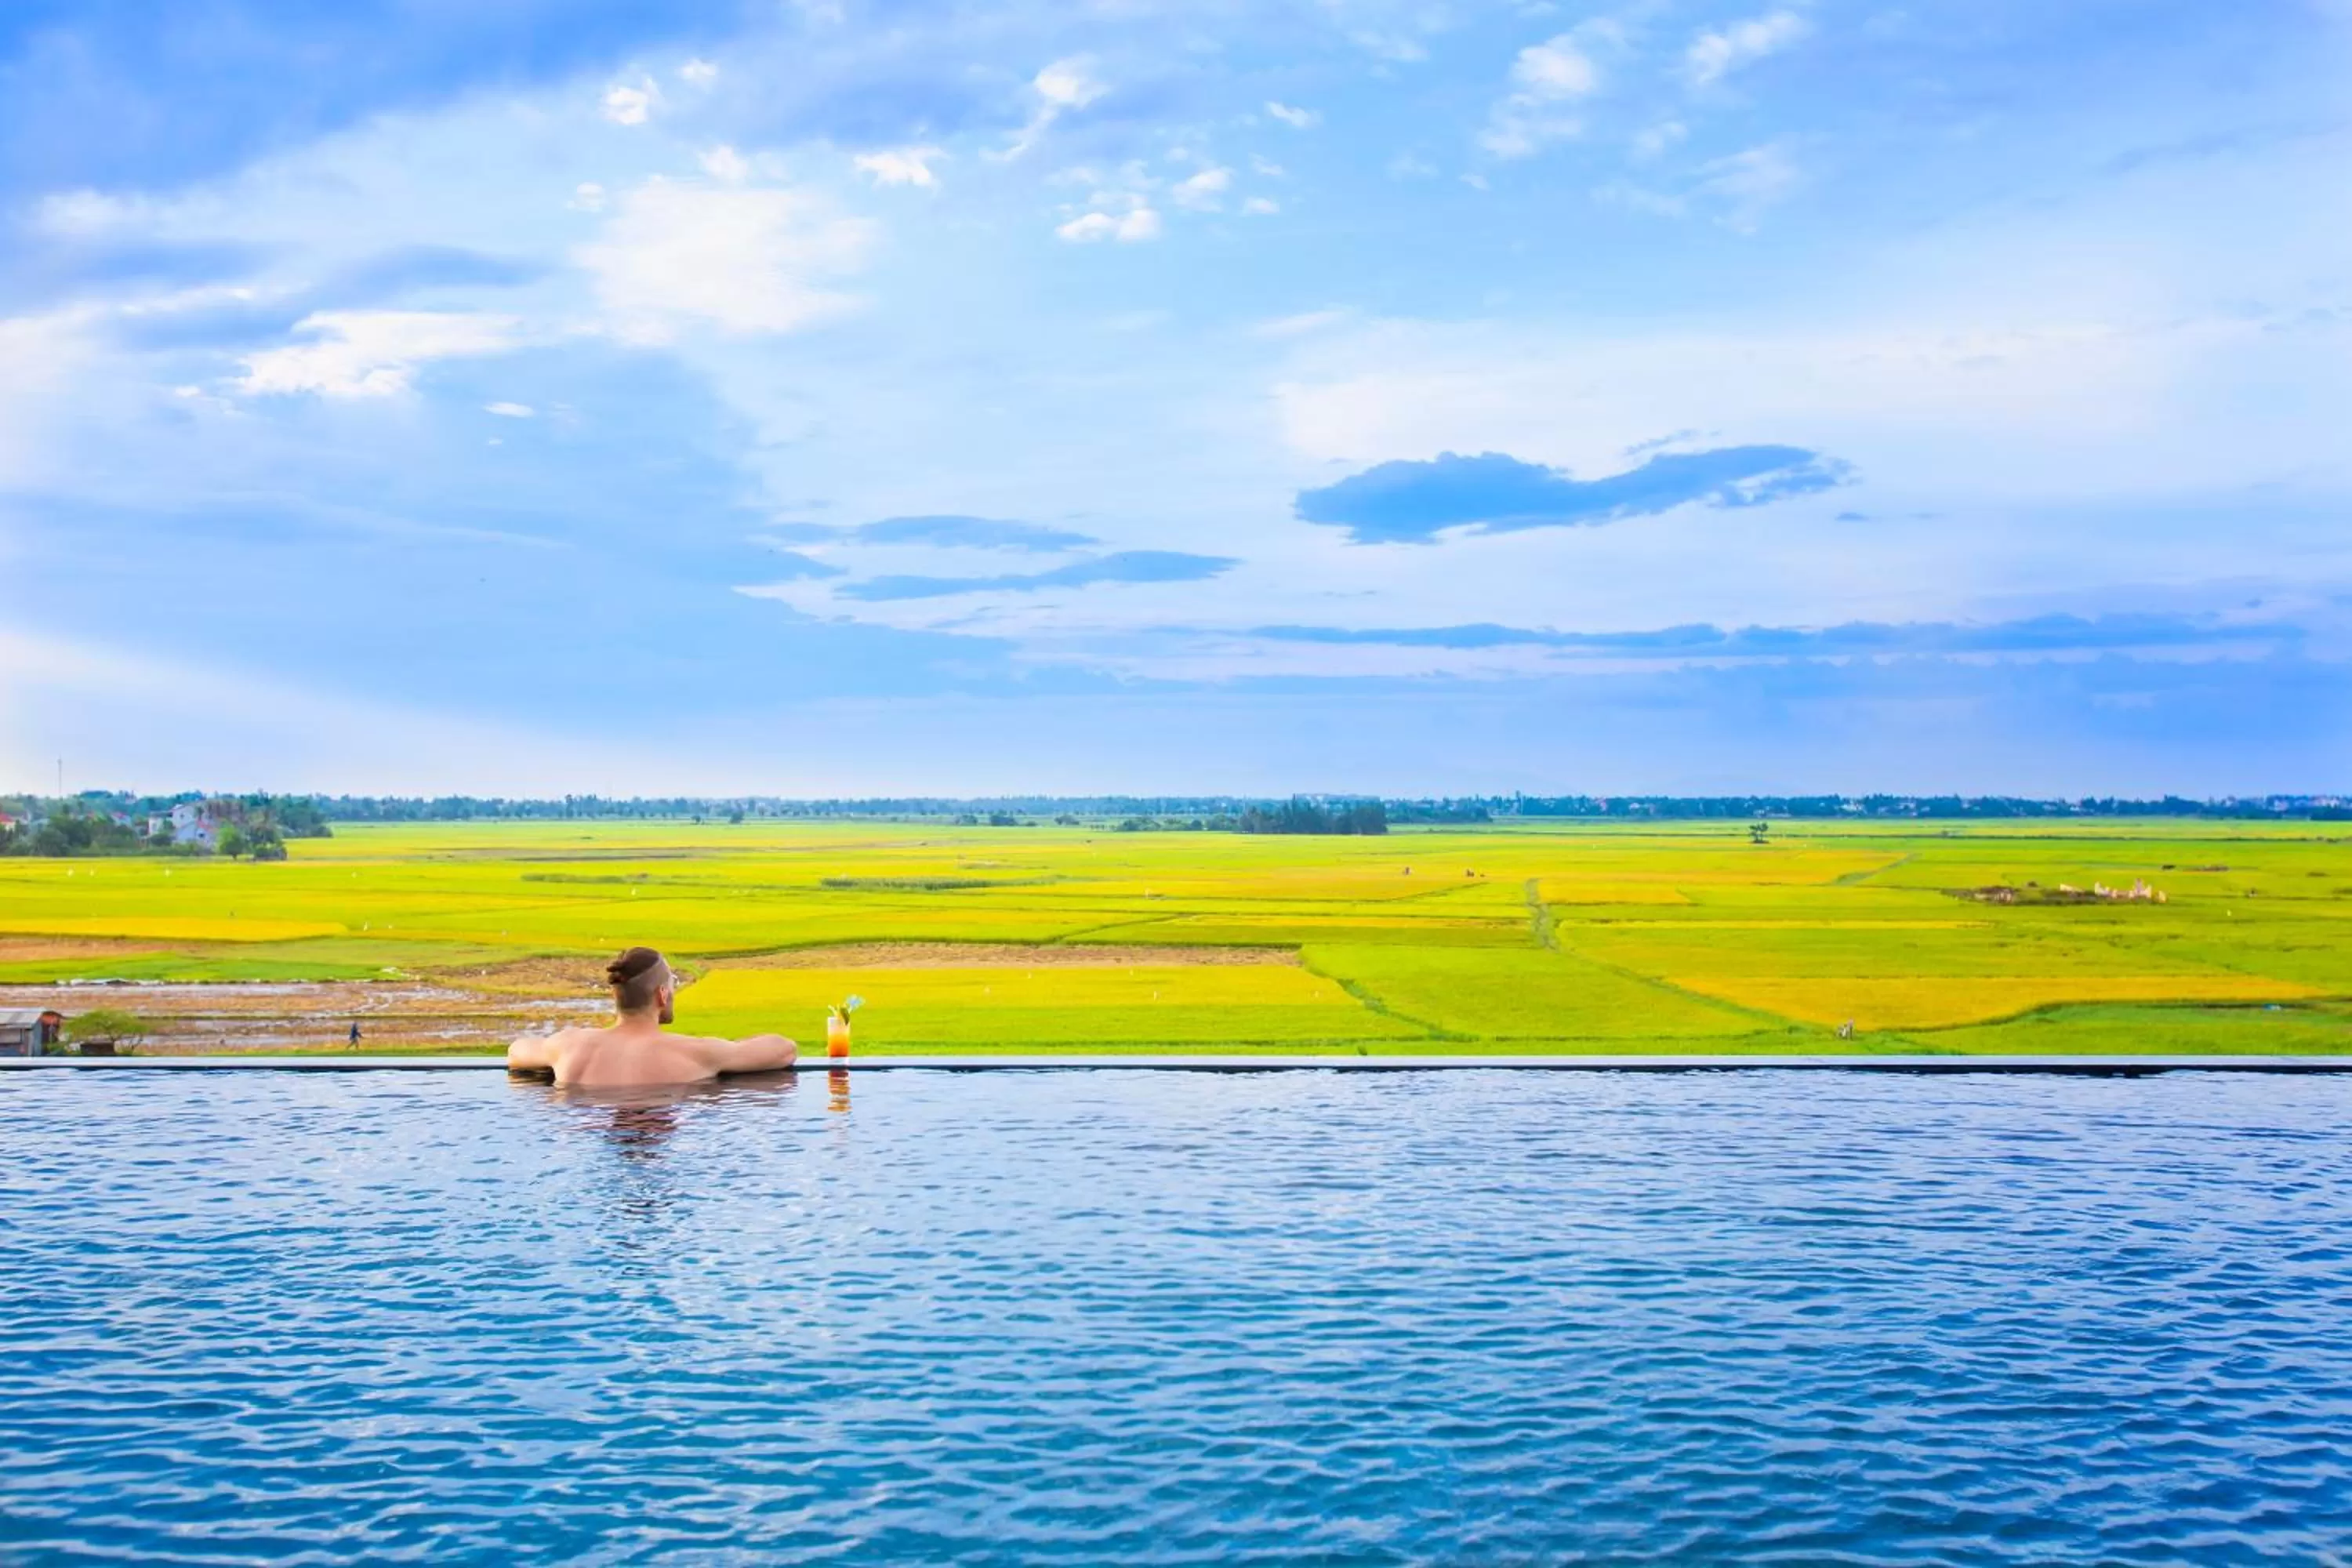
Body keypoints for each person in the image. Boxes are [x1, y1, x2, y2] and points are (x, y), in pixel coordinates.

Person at [507, 946, 797, 1087]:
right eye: (673, 984)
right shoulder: (696, 1052)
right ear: (661, 995)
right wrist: (733, 1045)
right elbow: (784, 1049)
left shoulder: (568, 1045)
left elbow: (516, 1051)